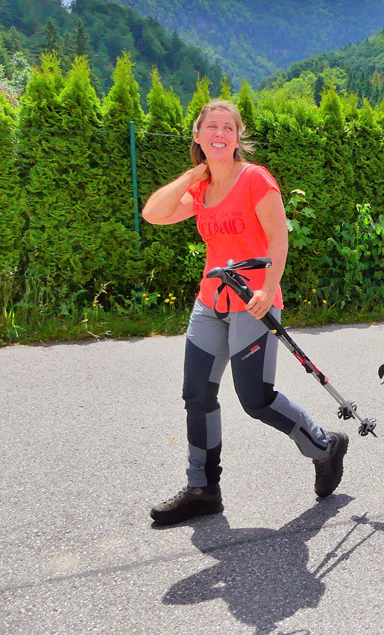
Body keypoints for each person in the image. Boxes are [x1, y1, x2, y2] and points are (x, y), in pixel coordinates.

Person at [142, 99, 348, 526]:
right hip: (210, 302)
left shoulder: (255, 179)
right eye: (210, 127)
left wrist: (268, 289)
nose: (219, 133)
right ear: (197, 136)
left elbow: (278, 239)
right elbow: (153, 213)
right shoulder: (199, 190)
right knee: (196, 395)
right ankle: (203, 489)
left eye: (228, 128)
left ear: (238, 138)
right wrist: (195, 173)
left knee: (255, 399)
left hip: (253, 302)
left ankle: (325, 446)